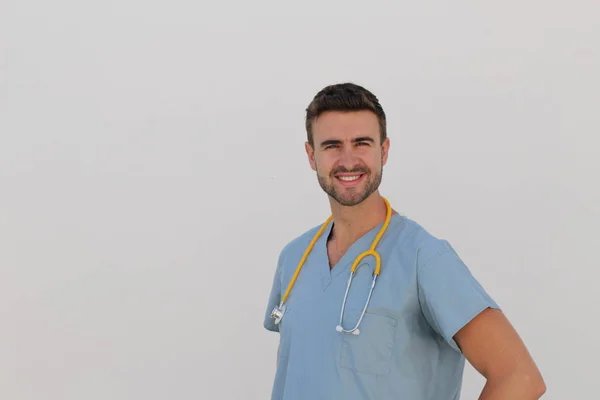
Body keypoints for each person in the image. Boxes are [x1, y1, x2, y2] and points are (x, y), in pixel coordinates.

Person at [263, 82, 546, 400]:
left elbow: (519, 376)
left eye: (362, 143)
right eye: (331, 145)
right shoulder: (294, 257)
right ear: (311, 155)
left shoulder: (423, 258)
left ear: (383, 151)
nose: (348, 160)